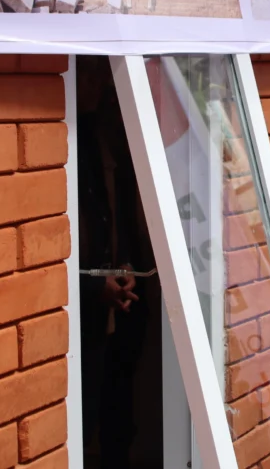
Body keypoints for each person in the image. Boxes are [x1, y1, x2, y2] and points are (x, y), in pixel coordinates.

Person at [76, 57, 155, 468]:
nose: (101, 86)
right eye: (91, 76)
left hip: (121, 293)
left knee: (117, 403)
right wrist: (93, 286)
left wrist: (123, 267)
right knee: (86, 410)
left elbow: (116, 214)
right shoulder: (69, 140)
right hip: (85, 307)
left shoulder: (102, 139)